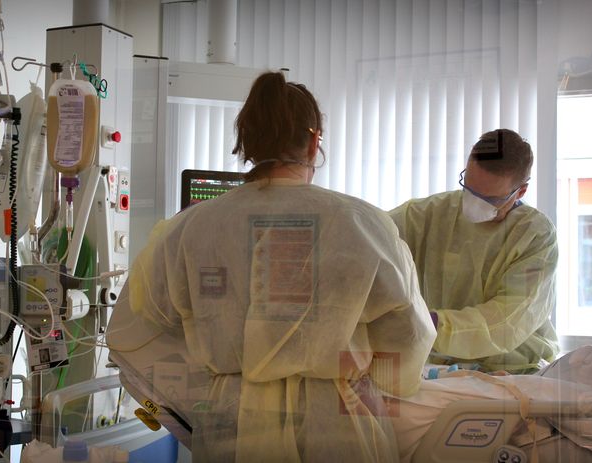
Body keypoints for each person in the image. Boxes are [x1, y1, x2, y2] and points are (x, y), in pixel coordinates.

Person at [116, 72, 435, 462]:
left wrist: (207, 382)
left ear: (246, 142)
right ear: (315, 141)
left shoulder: (189, 228)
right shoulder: (362, 224)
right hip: (338, 424)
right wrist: (380, 386)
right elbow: (409, 336)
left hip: (230, 426)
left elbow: (139, 324)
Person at [389, 128, 559, 374]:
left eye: (490, 199)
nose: (473, 204)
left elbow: (507, 320)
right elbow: (371, 236)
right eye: (468, 188)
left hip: (513, 369)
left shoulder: (535, 235)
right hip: (437, 365)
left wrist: (434, 323)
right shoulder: (426, 215)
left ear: (520, 191)